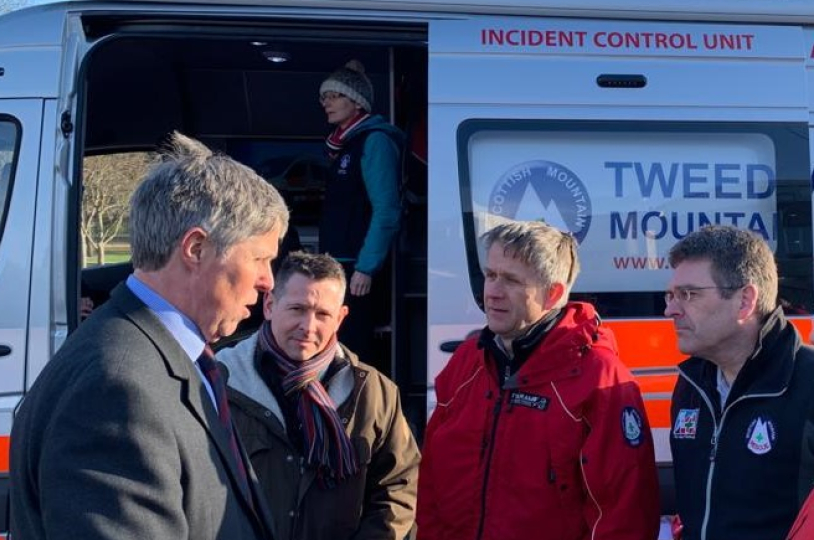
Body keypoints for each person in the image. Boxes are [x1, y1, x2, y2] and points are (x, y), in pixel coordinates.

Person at [9, 132, 288, 540]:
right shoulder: (117, 389)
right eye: (260, 259)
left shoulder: (160, 356)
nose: (268, 281)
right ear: (195, 248)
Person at [416, 220, 660, 540]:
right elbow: (434, 481)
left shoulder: (599, 377)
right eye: (490, 275)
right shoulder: (467, 363)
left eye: (512, 281)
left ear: (553, 293)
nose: (492, 292)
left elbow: (624, 512)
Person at [216, 251, 420, 540]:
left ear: (340, 318)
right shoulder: (218, 382)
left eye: (323, 314)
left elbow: (397, 489)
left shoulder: (374, 393)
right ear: (270, 305)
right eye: (298, 309)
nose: (308, 327)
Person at [665, 225, 814, 540]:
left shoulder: (807, 383)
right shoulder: (691, 386)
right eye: (672, 295)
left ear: (745, 300)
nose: (670, 310)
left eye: (688, 294)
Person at [318, 59, 403, 360]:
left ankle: (357, 406)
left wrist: (366, 267)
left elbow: (387, 210)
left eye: (334, 95)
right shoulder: (344, 144)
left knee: (354, 350)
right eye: (324, 97)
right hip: (339, 263)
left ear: (356, 102)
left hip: (357, 268)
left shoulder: (374, 141)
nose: (326, 102)